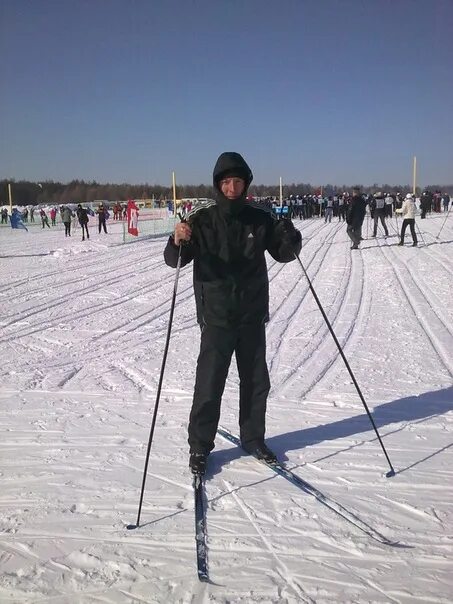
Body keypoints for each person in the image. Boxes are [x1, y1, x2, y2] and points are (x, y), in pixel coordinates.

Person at [164, 152, 302, 475]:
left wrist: (290, 237)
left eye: (236, 182)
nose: (231, 188)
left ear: (245, 184)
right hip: (216, 317)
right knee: (209, 384)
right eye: (225, 182)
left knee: (256, 382)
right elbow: (176, 259)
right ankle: (200, 447)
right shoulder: (202, 218)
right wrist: (177, 240)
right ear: (218, 184)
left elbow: (283, 253)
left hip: (252, 315)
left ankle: (253, 438)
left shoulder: (259, 217)